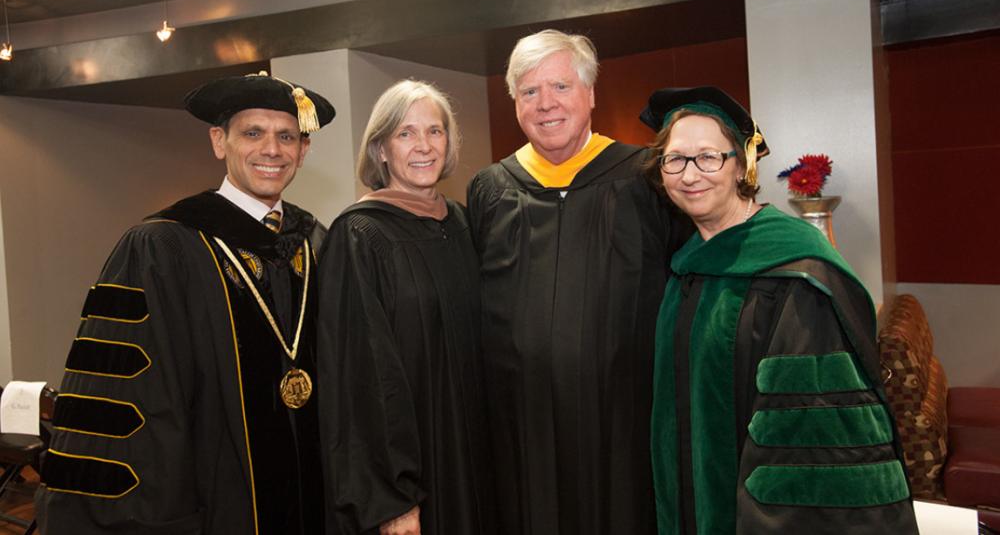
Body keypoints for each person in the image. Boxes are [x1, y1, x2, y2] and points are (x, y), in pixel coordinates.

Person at [35, 73, 336, 535]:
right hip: (212, 504)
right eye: (252, 133)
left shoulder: (316, 243)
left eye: (286, 137)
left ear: (303, 150)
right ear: (219, 141)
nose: (271, 150)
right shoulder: (162, 248)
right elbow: (135, 402)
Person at [640, 86, 918, 534]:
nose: (690, 174)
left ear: (741, 166)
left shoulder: (792, 276)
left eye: (709, 157)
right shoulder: (685, 269)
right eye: (675, 159)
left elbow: (809, 440)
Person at [466, 30, 693, 535]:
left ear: (590, 94)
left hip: (624, 422)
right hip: (520, 429)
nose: (545, 104)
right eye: (529, 92)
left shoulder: (645, 179)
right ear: (515, 104)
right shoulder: (490, 189)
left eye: (560, 87)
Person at [318, 80, 495, 535]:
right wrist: (392, 500)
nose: (423, 146)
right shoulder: (360, 236)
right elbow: (364, 380)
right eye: (405, 133)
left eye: (435, 132)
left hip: (477, 461)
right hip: (413, 478)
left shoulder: (461, 223)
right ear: (380, 149)